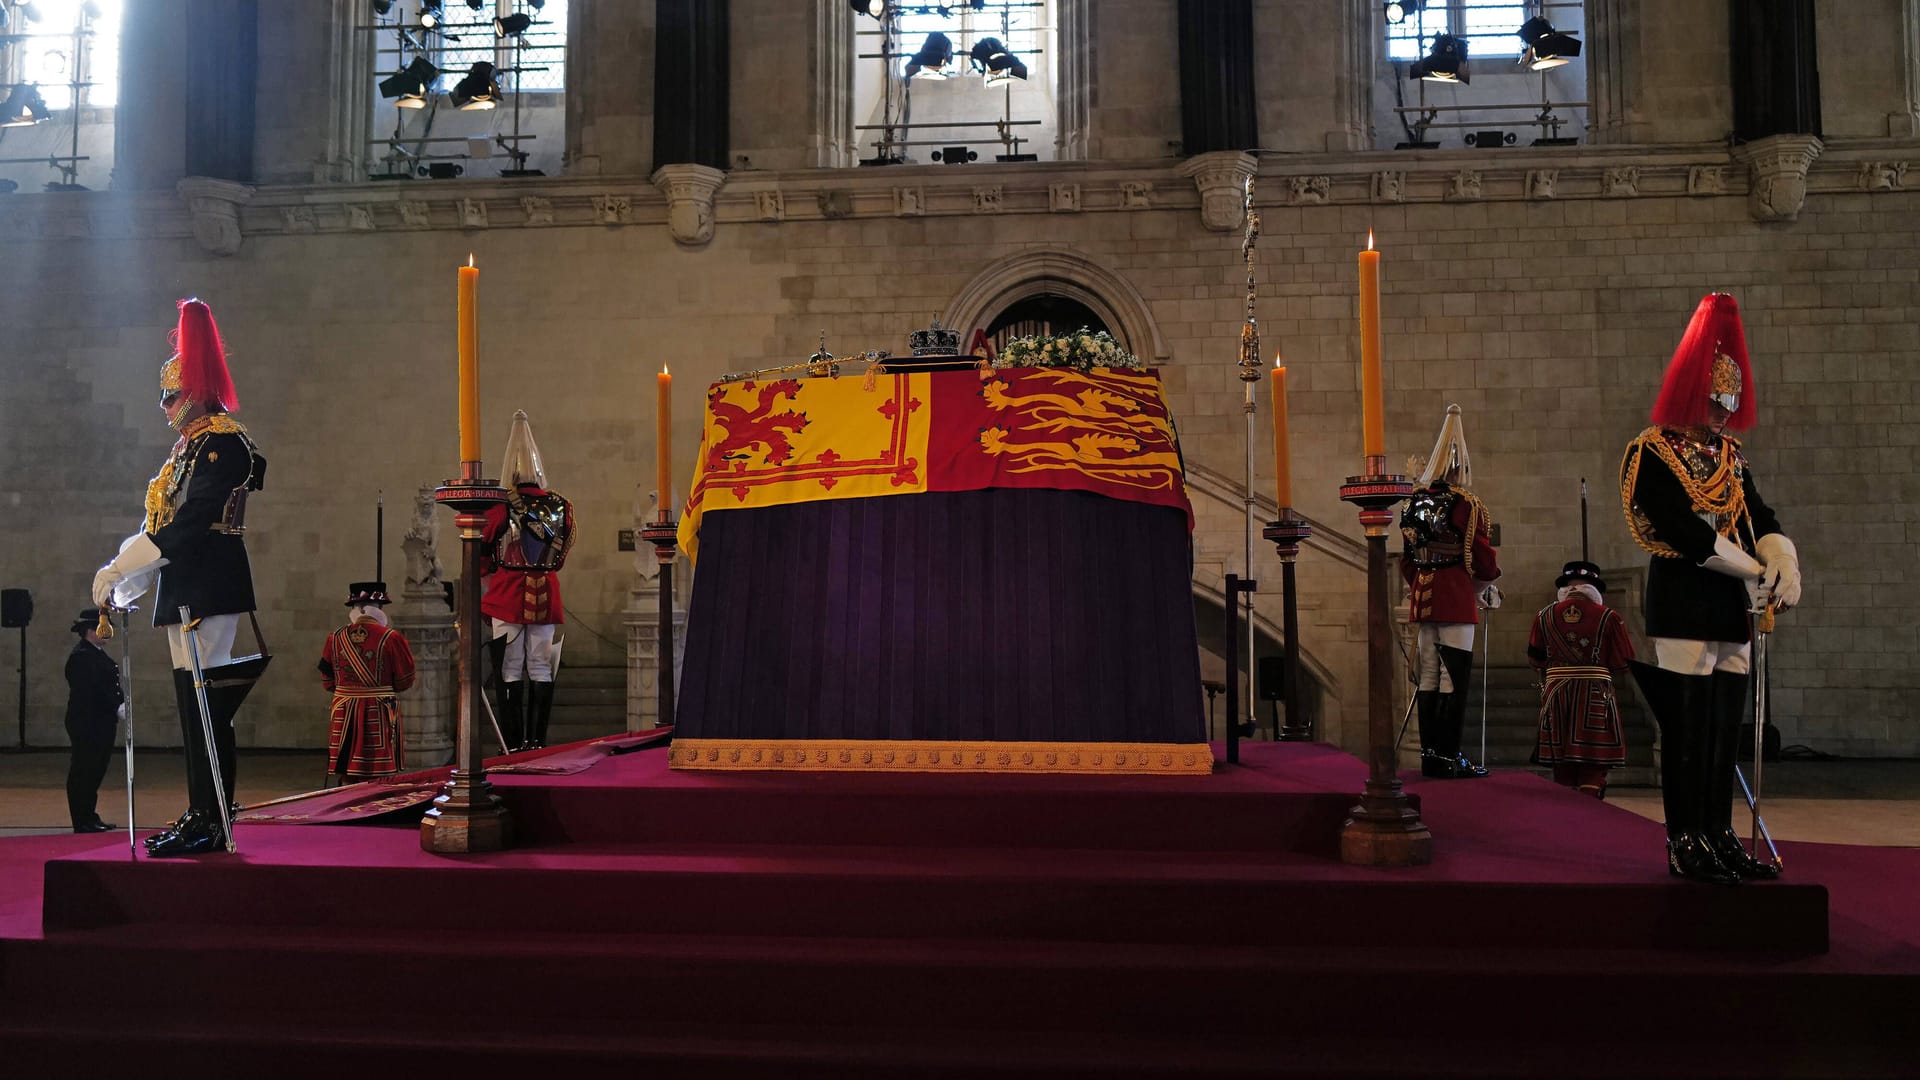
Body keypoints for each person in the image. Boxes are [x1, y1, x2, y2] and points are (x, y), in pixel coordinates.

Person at [1621, 292, 1800, 885]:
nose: (1725, 410)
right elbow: (1683, 532)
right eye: (1717, 397)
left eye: (1732, 398)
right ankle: (1684, 838)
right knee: (1688, 731)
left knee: (1725, 732)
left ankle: (1720, 834)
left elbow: (1759, 515)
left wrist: (1779, 557)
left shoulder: (1731, 458)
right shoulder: (1651, 452)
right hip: (1683, 597)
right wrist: (1752, 569)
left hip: (1729, 609)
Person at [91, 298, 268, 858]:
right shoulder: (189, 449)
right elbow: (164, 522)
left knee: (206, 705)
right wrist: (130, 582)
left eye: (171, 393)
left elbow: (193, 522)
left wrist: (125, 565)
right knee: (195, 705)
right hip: (186, 585)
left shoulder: (221, 444)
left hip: (207, 585)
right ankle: (202, 811)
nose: (165, 404)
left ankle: (212, 819)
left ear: (193, 392)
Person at [1401, 404, 1502, 779]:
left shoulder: (1416, 502)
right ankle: (1449, 756)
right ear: (1458, 466)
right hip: (1456, 596)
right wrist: (1484, 584)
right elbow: (1481, 556)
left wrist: (1421, 585)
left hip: (1424, 596)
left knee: (1428, 675)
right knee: (1452, 679)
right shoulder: (1464, 504)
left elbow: (1408, 559)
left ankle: (1430, 756)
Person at [483, 411, 575, 751]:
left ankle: (512, 743)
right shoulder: (562, 505)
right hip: (545, 590)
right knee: (540, 664)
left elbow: (482, 550)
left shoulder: (498, 507)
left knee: (509, 667)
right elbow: (561, 554)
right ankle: (537, 741)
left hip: (507, 591)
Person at [1527, 562, 1634, 799]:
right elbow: (1623, 661)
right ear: (1594, 587)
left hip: (1556, 693)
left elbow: (1535, 658)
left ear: (1565, 586)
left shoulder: (1544, 616)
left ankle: (1567, 806)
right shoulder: (1609, 617)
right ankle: (1590, 798)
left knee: (1561, 758)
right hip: (1594, 693)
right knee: (1594, 755)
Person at [320, 582, 417, 785]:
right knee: (378, 770)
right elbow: (405, 680)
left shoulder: (334, 638)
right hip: (379, 710)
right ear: (379, 609)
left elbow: (327, 681)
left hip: (343, 708)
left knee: (346, 768)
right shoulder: (392, 638)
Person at [64, 609, 121, 833]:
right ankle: (82, 819)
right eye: (103, 628)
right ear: (90, 631)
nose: (108, 633)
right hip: (88, 722)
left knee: (95, 770)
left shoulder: (94, 653)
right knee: (84, 770)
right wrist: (115, 705)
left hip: (101, 721)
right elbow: (92, 690)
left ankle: (90, 816)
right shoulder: (82, 656)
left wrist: (120, 701)